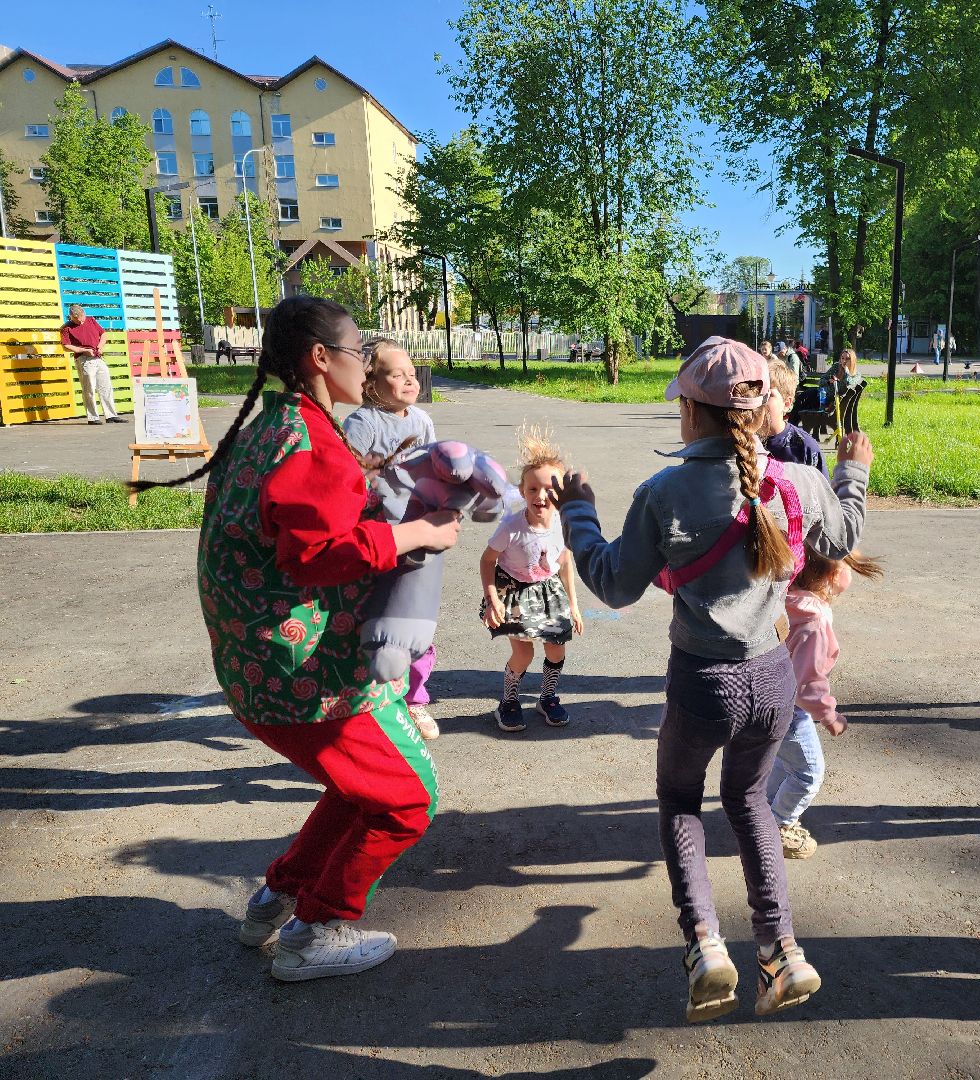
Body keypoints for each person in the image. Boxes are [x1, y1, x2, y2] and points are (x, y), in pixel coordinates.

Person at [132, 296, 462, 981]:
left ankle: (275, 899)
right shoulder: (311, 439)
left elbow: (293, 526)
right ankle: (316, 931)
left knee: (360, 787)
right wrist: (416, 533)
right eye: (357, 352)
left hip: (258, 666)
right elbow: (316, 554)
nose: (365, 365)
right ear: (320, 358)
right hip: (308, 675)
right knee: (408, 798)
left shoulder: (272, 427)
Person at [553, 336, 870, 1023]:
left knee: (679, 800)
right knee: (750, 800)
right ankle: (782, 951)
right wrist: (853, 471)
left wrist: (578, 512)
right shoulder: (799, 480)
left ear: (693, 414)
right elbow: (843, 537)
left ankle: (704, 944)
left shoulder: (664, 492)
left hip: (703, 682)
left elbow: (613, 583)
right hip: (774, 679)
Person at [341, 339, 442, 739]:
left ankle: (415, 699)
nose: (409, 381)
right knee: (376, 619)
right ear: (371, 383)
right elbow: (348, 476)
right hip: (378, 539)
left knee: (415, 621)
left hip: (418, 535)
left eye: (412, 374)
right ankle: (373, 698)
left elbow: (434, 469)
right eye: (397, 375)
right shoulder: (363, 423)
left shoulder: (422, 420)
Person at [772, 548, 882, 859]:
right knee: (808, 773)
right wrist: (829, 715)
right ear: (834, 575)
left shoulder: (786, 599)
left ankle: (763, 813)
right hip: (788, 708)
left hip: (766, 697)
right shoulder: (814, 621)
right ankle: (780, 825)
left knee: (783, 762)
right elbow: (808, 682)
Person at [481, 428, 584, 732]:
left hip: (549, 592)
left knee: (556, 649)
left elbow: (565, 563)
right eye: (533, 489)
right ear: (523, 491)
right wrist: (492, 599)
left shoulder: (563, 524)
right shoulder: (511, 527)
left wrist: (574, 606)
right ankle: (509, 701)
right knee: (523, 653)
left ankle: (547, 697)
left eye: (549, 490)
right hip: (516, 592)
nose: (540, 496)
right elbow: (487, 560)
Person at [60, 304, 123, 425]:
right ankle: (93, 417)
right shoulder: (66, 328)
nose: (80, 321)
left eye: (81, 318)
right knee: (89, 389)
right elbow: (66, 346)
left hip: (98, 357)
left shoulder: (91, 320)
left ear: (84, 314)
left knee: (106, 386)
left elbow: (103, 334)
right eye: (76, 319)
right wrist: (83, 350)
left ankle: (111, 415)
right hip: (84, 359)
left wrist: (100, 346)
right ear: (71, 317)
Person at [763, 359, 826, 474]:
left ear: (786, 404)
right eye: (756, 393)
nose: (759, 400)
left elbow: (821, 485)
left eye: (768, 395)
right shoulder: (744, 441)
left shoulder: (805, 447)